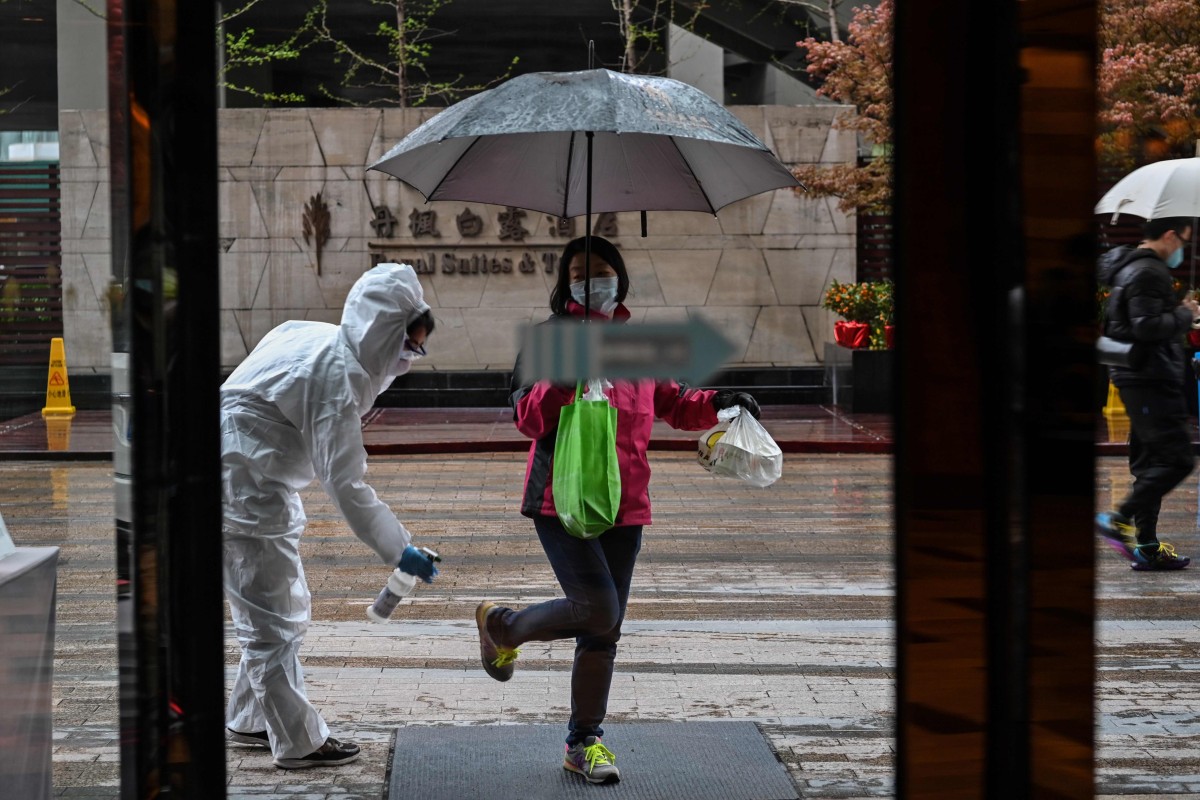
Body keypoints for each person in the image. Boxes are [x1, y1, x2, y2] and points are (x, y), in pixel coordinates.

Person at [475, 236, 760, 785]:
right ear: (566, 283)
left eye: (602, 271)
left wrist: (722, 403)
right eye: (580, 272)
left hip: (625, 504)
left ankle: (583, 743)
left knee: (603, 631)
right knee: (598, 607)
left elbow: (674, 403)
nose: (592, 280)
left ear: (620, 280)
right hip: (559, 501)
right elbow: (526, 419)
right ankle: (504, 627)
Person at [220, 262, 442, 769]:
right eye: (410, 343)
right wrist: (399, 547)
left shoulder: (311, 335)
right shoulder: (337, 381)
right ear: (386, 332)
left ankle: (249, 716)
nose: (412, 356)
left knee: (277, 609)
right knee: (272, 621)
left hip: (248, 478)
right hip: (245, 487)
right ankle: (299, 742)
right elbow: (345, 483)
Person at [1096, 217, 1198, 571]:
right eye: (1183, 239)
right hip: (1151, 380)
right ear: (1170, 235)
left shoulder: (1131, 268)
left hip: (1138, 378)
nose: (1182, 249)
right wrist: (1184, 315)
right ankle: (1116, 519)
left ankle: (1146, 545)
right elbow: (1147, 327)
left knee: (1150, 464)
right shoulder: (1148, 272)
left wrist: (1175, 310)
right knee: (1177, 460)